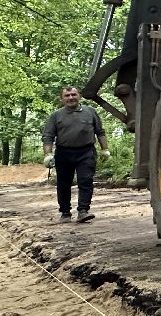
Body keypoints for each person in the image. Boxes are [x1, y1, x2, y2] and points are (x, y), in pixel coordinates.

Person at [42, 86, 110, 223]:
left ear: (79, 96)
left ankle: (83, 211)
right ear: (61, 99)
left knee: (86, 181)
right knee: (63, 184)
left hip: (86, 152)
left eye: (74, 94)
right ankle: (65, 213)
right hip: (64, 153)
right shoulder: (56, 116)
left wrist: (105, 150)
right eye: (67, 96)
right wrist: (48, 154)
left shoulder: (90, 112)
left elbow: (100, 132)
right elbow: (48, 136)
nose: (71, 98)